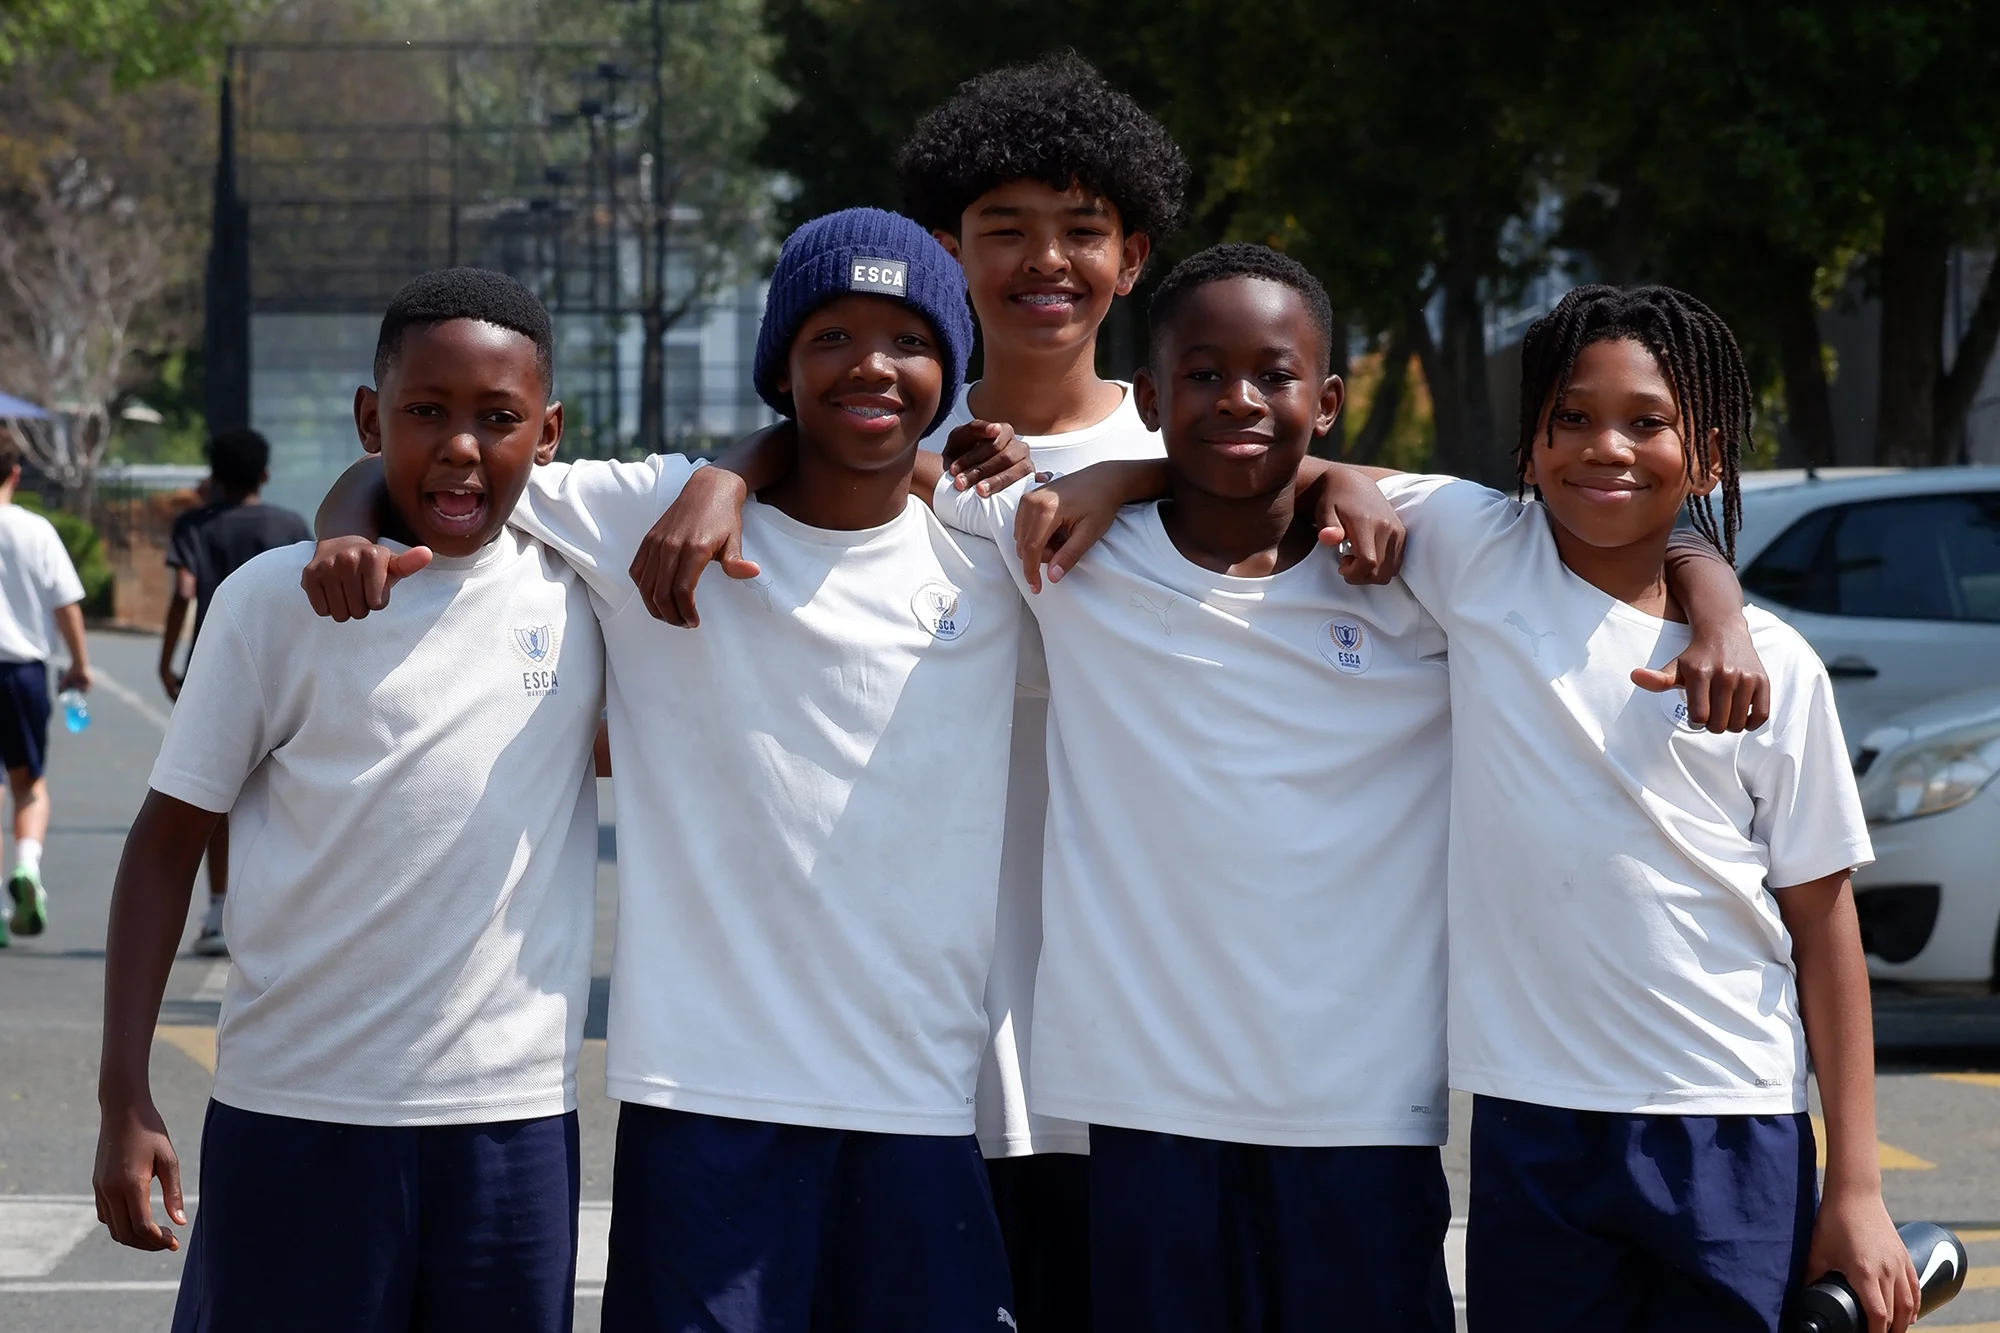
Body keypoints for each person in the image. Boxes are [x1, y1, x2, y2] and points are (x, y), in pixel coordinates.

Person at [303, 209, 1040, 1331]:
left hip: (920, 1105)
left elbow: (1180, 497)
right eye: (831, 337)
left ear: (951, 371)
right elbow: (425, 469)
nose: (872, 365)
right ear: (779, 366)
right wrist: (341, 531)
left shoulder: (992, 554)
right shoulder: (645, 515)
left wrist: (743, 466)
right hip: (703, 1101)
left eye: (909, 340)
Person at [1363, 285, 1919, 1333]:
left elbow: (1823, 924)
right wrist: (1122, 474)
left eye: (1644, 421)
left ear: (1704, 457)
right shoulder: (1477, 552)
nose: (1604, 446)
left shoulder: (1776, 666)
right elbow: (1282, 464)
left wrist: (1856, 1188)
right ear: (1528, 446)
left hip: (1726, 1113)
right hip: (1530, 1115)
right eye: (1570, 416)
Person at [94, 267, 603, 1333]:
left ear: (549, 433)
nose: (460, 445)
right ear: (370, 419)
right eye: (425, 411)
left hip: (509, 1123)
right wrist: (121, 1092)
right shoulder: (271, 603)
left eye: (497, 417)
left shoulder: (587, 600)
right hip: (295, 1110)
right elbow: (165, 844)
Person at [160, 426, 311, 956]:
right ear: (265, 474)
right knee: (285, 790)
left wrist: (166, 659)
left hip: (217, 669)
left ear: (213, 475)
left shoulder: (196, 524)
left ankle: (219, 911)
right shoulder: (290, 525)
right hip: (289, 671)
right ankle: (283, 915)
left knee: (215, 795)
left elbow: (183, 591)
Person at [0, 439, 91, 947]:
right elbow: (66, 604)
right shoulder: (35, 530)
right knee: (28, 783)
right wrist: (79, 664)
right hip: (22, 673)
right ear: (15, 472)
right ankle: (27, 868)